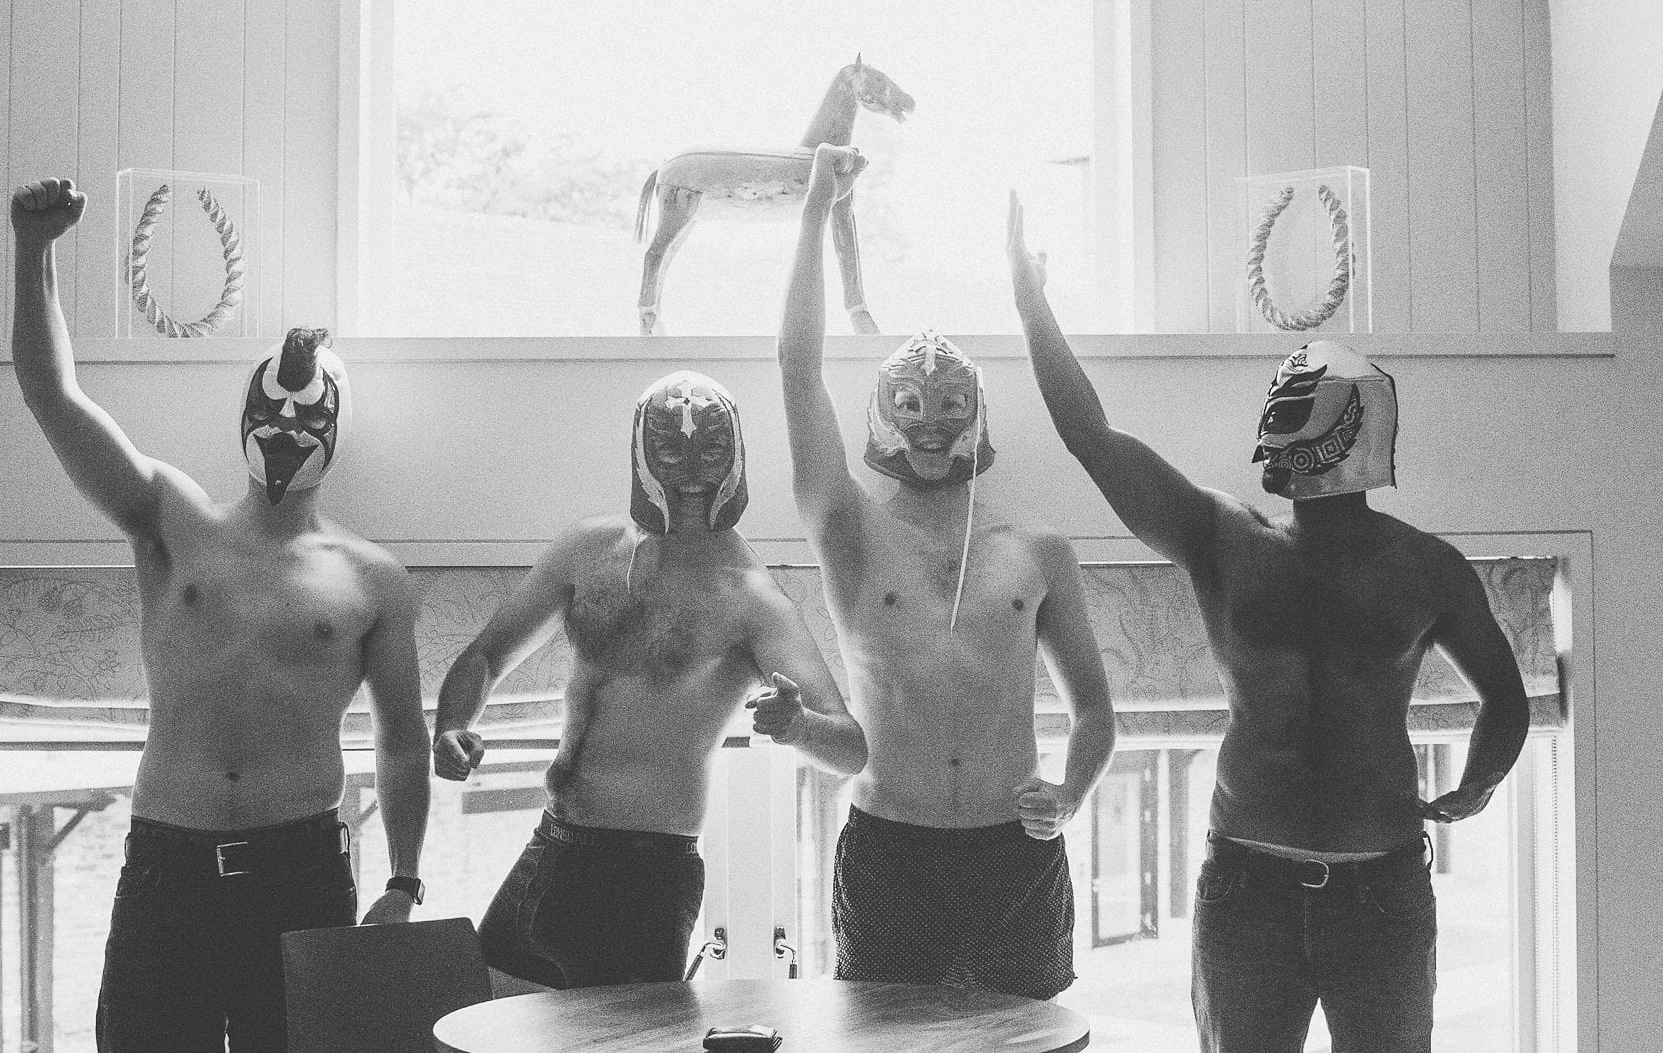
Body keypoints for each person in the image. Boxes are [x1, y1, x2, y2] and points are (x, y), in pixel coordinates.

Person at [1002, 191, 1530, 1051]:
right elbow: (1091, 437)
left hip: (1383, 893)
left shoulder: (1425, 565)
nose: (1287, 436)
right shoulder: (1223, 538)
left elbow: (1507, 700)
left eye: (1306, 417)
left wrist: (1478, 784)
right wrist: (1032, 305)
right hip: (1247, 887)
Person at [9, 178, 431, 1053]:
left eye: (309, 412)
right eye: (273, 407)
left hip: (301, 870)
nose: (286, 425)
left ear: (336, 426)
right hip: (169, 863)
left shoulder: (373, 580)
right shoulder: (170, 518)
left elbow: (402, 739)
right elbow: (53, 396)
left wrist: (404, 879)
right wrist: (32, 247)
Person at [778, 145, 1115, 1001]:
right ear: (883, 418)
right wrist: (815, 212)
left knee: (1027, 1039)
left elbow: (1096, 713)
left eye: (950, 407)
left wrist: (1071, 792)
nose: (930, 425)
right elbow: (797, 368)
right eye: (911, 407)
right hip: (892, 843)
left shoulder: (1037, 549)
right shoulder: (848, 527)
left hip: (1017, 849)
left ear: (977, 417)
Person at [431, 370, 866, 989]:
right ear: (643, 452)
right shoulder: (589, 551)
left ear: (735, 455)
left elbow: (850, 747)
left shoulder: (750, 599)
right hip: (551, 848)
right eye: (671, 449)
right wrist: (452, 726)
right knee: (485, 1028)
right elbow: (485, 655)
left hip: (645, 876)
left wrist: (797, 725)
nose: (690, 470)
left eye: (709, 451)